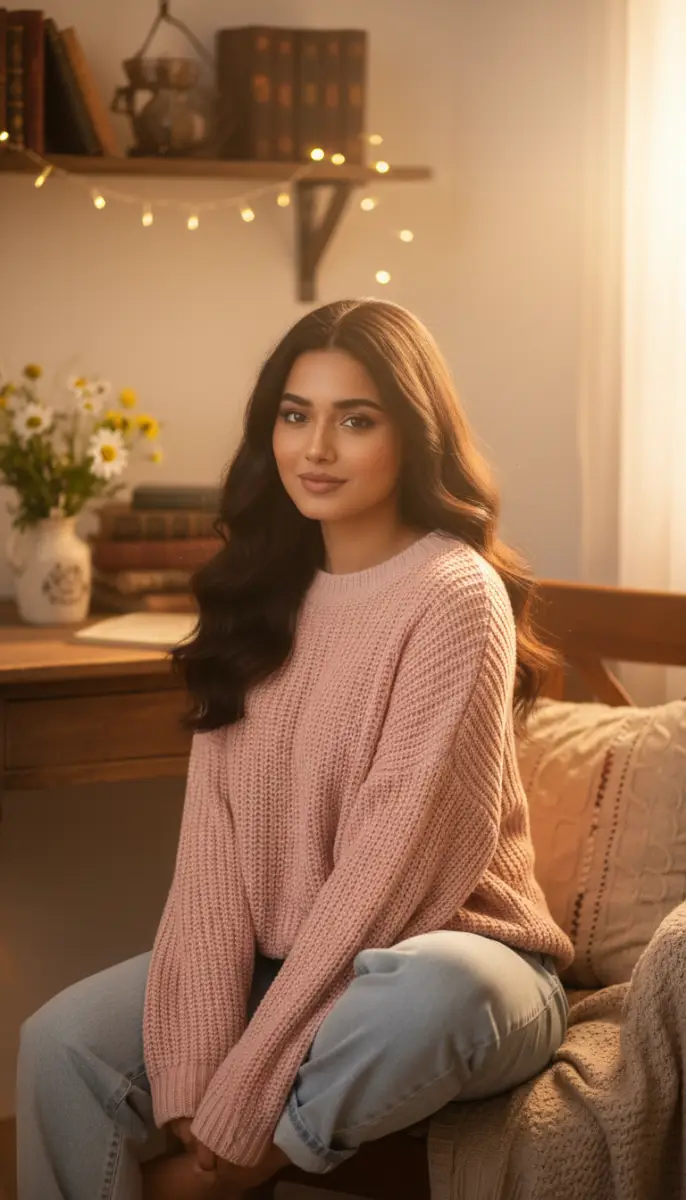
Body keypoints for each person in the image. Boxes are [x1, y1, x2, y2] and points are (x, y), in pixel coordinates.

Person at [16, 299, 573, 1200]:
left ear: (414, 435)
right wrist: (199, 1069)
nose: (316, 449)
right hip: (288, 968)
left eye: (355, 420)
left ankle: (225, 1180)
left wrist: (243, 1103)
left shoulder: (452, 594)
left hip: (460, 960)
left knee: (431, 995)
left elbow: (387, 873)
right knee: (60, 1044)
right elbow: (213, 855)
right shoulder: (256, 593)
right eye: (295, 414)